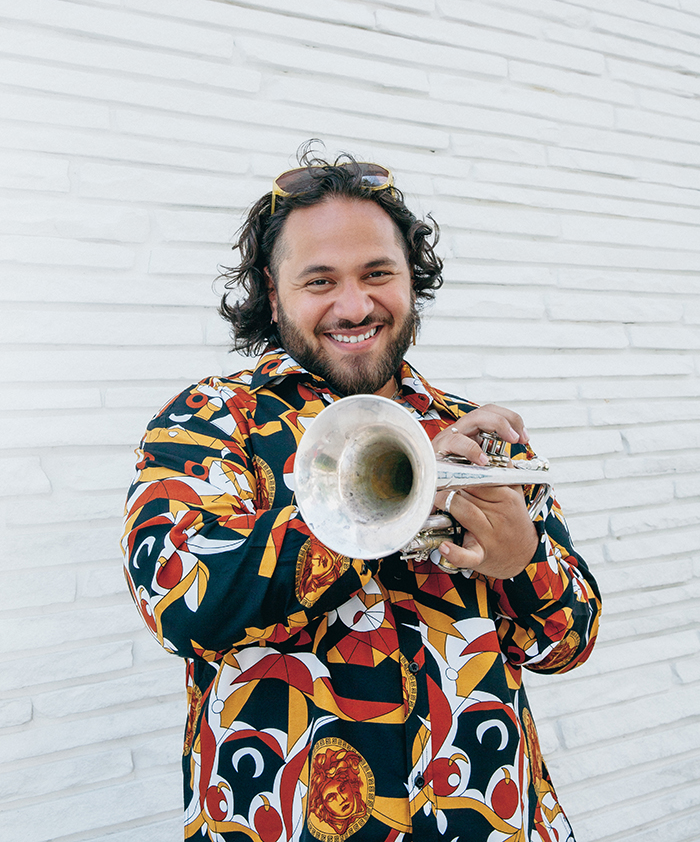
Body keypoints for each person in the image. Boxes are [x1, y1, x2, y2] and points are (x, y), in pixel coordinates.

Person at [122, 145, 601, 842]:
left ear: (412, 279)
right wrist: (379, 504)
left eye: (378, 274)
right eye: (320, 280)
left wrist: (522, 559)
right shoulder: (208, 421)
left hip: (490, 816)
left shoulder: (478, 439)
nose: (355, 305)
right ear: (272, 287)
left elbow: (569, 643)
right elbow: (185, 606)